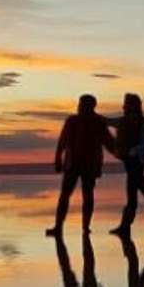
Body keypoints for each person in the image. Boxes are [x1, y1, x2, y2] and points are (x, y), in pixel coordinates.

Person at [48, 93, 113, 235]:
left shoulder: (98, 122)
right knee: (65, 195)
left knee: (87, 195)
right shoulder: (72, 121)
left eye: (82, 104)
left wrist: (123, 154)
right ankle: (58, 227)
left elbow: (109, 143)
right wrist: (58, 158)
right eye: (80, 104)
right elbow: (62, 141)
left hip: (90, 165)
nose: (79, 107)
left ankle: (85, 227)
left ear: (90, 106)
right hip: (72, 163)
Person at [105, 93, 144, 236]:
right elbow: (108, 122)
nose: (124, 107)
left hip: (136, 162)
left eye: (126, 104)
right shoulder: (123, 121)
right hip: (130, 161)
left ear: (133, 106)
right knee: (142, 191)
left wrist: (133, 152)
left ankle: (126, 226)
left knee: (134, 193)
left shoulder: (143, 122)